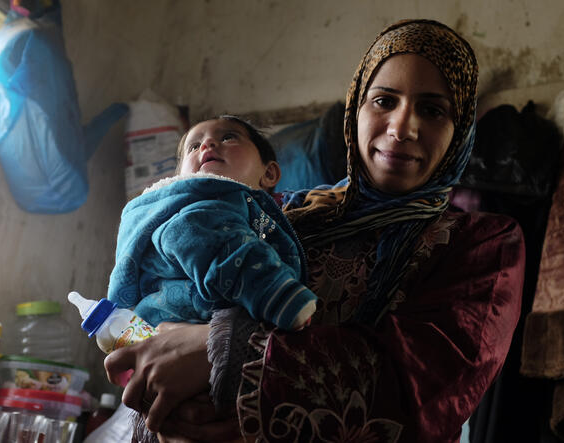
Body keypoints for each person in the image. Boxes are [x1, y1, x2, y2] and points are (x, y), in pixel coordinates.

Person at [105, 19, 526, 443]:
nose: (401, 129)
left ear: (461, 130)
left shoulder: (482, 245)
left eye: (433, 110)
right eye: (383, 101)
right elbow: (169, 301)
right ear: (355, 110)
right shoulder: (281, 212)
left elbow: (419, 389)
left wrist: (223, 349)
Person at [107, 115, 317, 331]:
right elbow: (217, 246)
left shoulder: (277, 205)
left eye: (228, 137)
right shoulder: (199, 209)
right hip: (185, 326)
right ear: (182, 177)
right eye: (194, 146)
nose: (207, 145)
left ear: (269, 173)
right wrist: (277, 295)